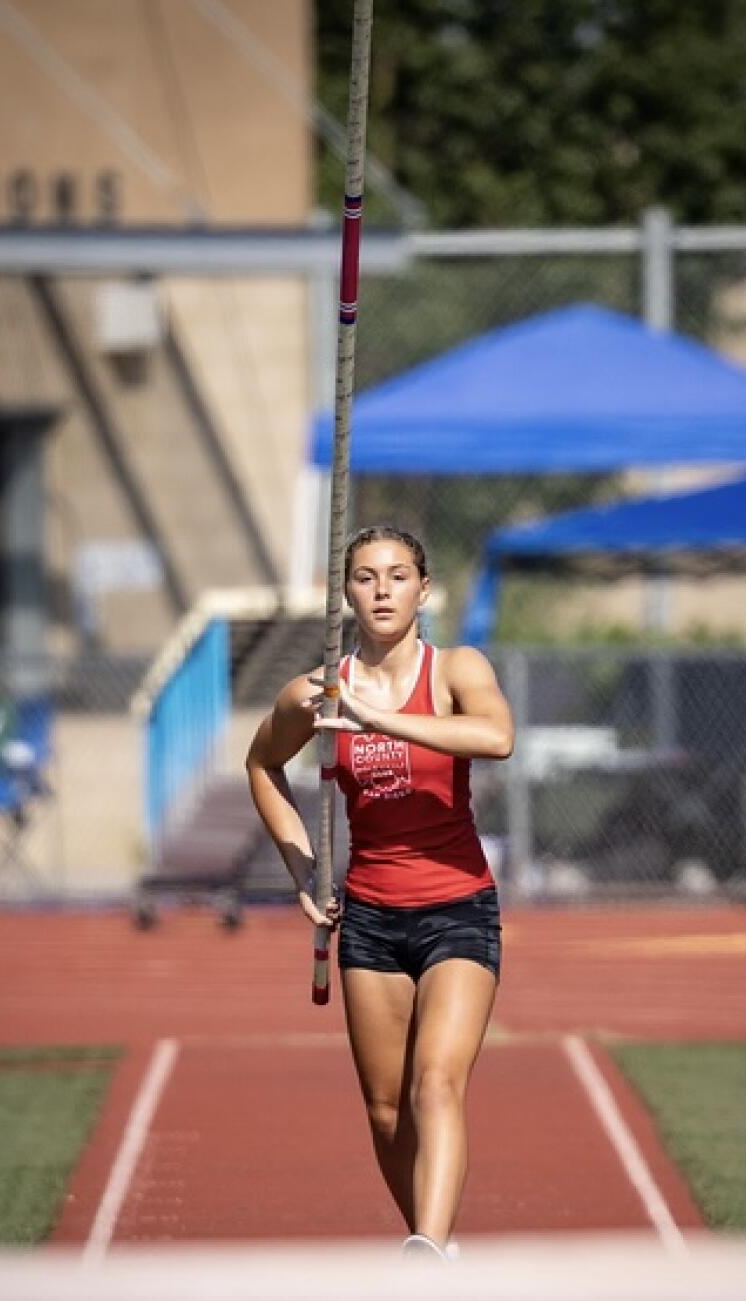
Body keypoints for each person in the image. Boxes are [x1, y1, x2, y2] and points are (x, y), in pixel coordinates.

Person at [245, 524, 514, 1260]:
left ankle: (426, 1246)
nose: (383, 589)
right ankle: (434, 1245)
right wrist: (303, 870)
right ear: (348, 593)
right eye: (366, 576)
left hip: (459, 907)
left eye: (399, 575)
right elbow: (261, 764)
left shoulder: (457, 668)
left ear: (424, 589)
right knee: (388, 1111)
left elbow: (496, 736)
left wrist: (376, 717)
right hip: (369, 918)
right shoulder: (316, 691)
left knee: (436, 1083)